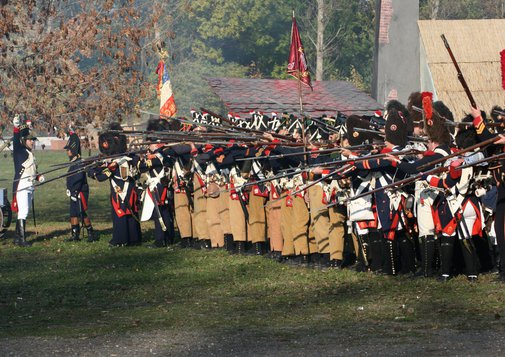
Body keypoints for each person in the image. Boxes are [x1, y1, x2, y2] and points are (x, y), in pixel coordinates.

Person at [11, 115, 44, 247]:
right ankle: (22, 240)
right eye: (30, 140)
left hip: (30, 185)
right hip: (22, 185)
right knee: (23, 211)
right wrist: (16, 127)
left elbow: (31, 170)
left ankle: (17, 238)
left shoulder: (30, 154)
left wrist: (38, 177)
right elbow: (15, 141)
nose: (32, 142)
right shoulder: (19, 151)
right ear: (24, 140)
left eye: (33, 140)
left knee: (25, 211)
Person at [64, 130, 99, 242]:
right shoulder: (73, 162)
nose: (67, 152)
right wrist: (69, 190)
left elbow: (79, 178)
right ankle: (75, 234)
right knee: (73, 213)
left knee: (81, 212)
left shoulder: (80, 162)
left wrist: (75, 192)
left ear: (73, 150)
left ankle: (90, 232)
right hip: (73, 192)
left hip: (80, 191)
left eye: (68, 150)